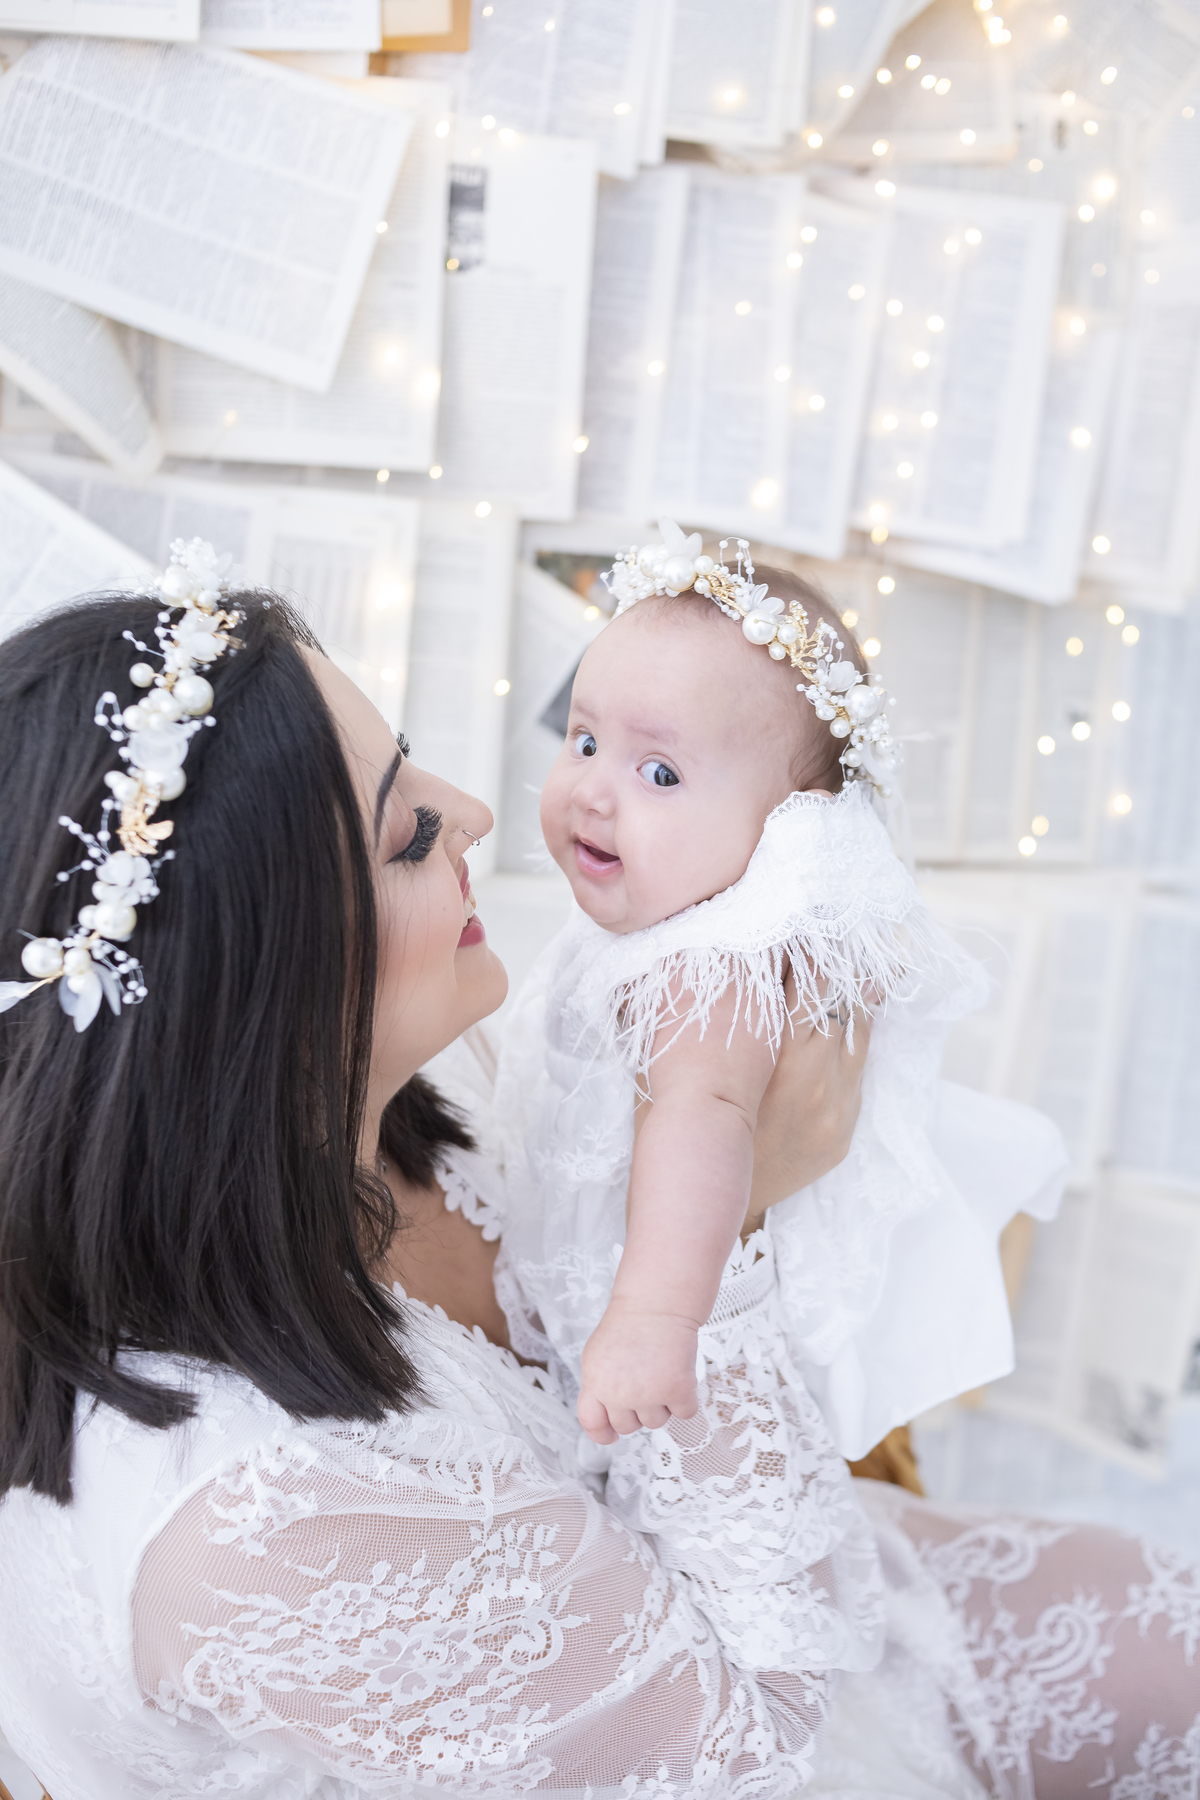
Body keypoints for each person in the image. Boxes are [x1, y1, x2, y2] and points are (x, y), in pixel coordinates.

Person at [0, 548, 1195, 1800]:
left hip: (799, 1587)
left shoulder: (410, 1097)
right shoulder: (269, 1527)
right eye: (410, 831)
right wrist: (722, 1233)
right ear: (268, 987)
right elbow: (751, 1752)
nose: (475, 811)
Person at [498, 522, 1066, 1457]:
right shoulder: (670, 908)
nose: (593, 792)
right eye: (586, 739)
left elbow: (702, 1121)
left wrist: (652, 1321)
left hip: (681, 1338)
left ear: (787, 833)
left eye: (661, 772)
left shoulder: (715, 964)